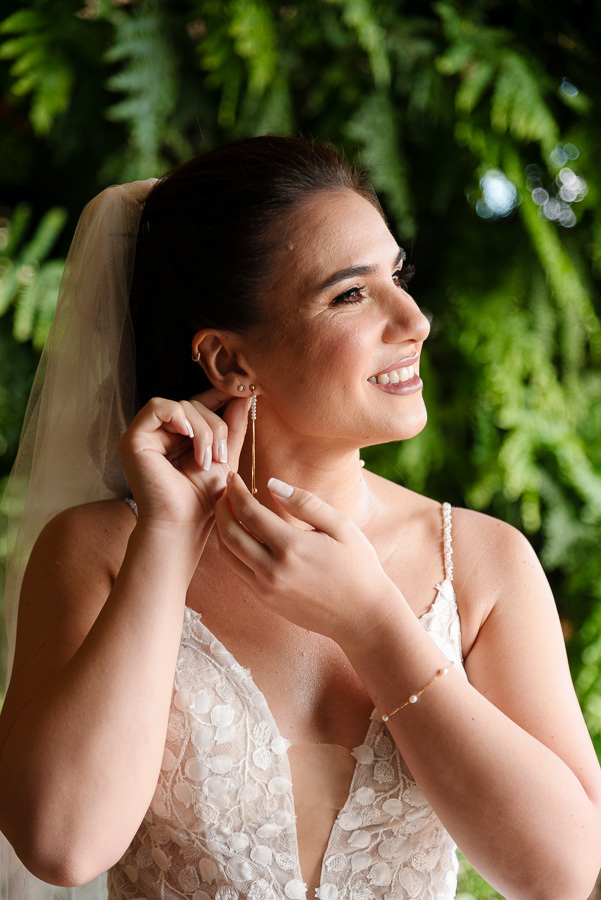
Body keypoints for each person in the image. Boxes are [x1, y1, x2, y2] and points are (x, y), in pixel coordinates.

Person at [0, 136, 600, 900]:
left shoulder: (480, 562)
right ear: (226, 362)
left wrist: (374, 622)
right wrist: (165, 540)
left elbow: (565, 873)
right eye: (351, 294)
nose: (414, 319)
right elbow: (61, 843)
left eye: (397, 276)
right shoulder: (98, 550)